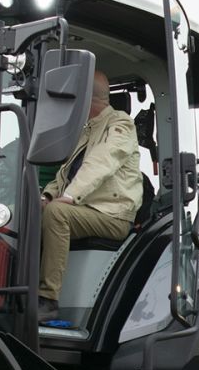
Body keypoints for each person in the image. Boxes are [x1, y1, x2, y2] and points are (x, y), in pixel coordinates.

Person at [37, 70, 142, 318]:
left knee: (58, 214)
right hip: (85, 209)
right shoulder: (87, 130)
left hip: (112, 215)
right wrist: (47, 196)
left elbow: (101, 162)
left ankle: (47, 299)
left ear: (84, 98)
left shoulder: (121, 124)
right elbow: (65, 173)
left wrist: (70, 196)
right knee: (33, 211)